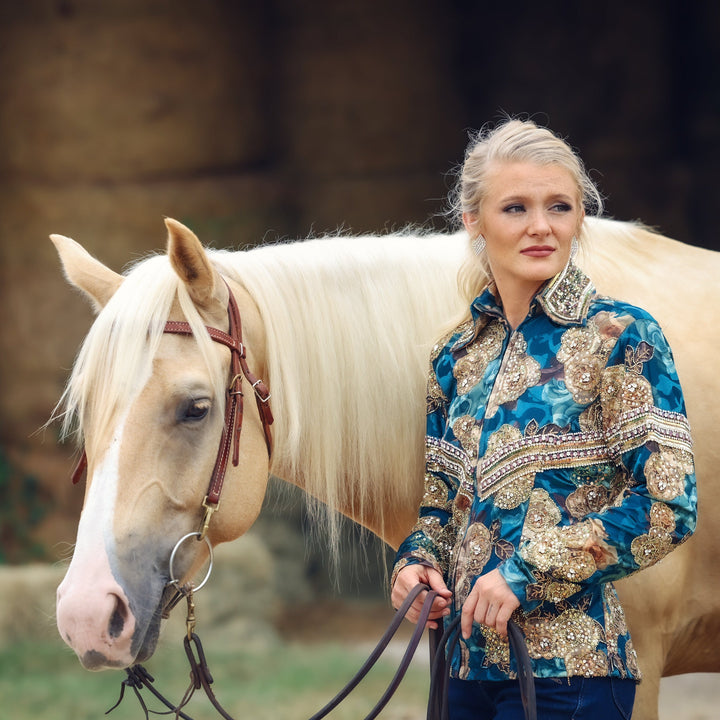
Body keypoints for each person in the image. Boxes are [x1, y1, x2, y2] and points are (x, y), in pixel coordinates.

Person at [390, 118, 697, 720]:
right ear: (473, 221)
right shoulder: (455, 356)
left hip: (572, 675)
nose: (540, 226)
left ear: (580, 218)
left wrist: (525, 574)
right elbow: (440, 507)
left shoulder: (622, 335)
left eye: (559, 206)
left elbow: (667, 505)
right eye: (515, 208)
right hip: (462, 672)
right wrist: (414, 565)